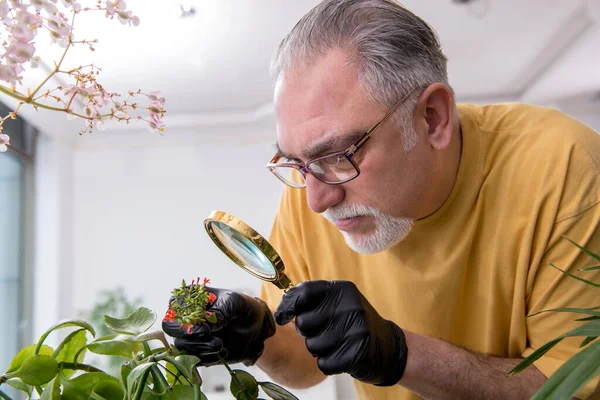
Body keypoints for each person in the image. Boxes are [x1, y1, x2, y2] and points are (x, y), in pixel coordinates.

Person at [163, 0, 600, 398]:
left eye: (337, 155)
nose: (316, 201)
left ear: (432, 118)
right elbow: (305, 367)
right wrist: (256, 333)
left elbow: (572, 389)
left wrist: (398, 353)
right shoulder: (311, 191)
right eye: (295, 162)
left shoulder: (563, 166)